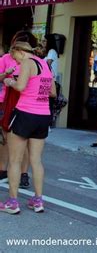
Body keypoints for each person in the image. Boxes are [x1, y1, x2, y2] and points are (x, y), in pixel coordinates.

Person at [0, 42, 56, 214]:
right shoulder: (45, 64)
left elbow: (20, 87)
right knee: (36, 160)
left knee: (15, 160)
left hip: (25, 113)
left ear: (19, 51)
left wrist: (9, 81)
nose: (15, 62)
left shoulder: (26, 62)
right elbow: (52, 92)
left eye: (15, 57)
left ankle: (13, 202)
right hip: (43, 115)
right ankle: (38, 200)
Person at [0, 30, 38, 188]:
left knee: (24, 138)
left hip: (25, 101)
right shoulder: (5, 58)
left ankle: (23, 174)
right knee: (5, 135)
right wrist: (6, 76)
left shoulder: (35, 61)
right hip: (6, 100)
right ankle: (2, 169)